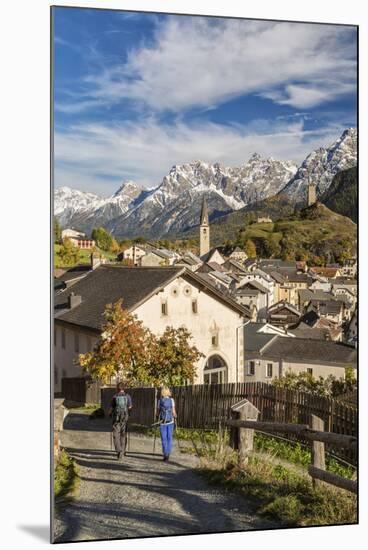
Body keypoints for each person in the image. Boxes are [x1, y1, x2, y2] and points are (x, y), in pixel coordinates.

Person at [108, 382, 132, 460]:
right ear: (124, 388)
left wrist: (109, 414)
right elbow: (130, 407)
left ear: (117, 388)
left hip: (116, 418)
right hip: (125, 418)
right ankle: (123, 451)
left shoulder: (115, 396)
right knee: (123, 434)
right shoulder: (128, 396)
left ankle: (119, 451)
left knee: (116, 435)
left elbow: (111, 408)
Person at [157, 387, 177, 462]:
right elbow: (174, 412)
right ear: (168, 392)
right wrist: (175, 416)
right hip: (170, 421)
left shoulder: (160, 401)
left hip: (162, 422)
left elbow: (157, 412)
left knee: (164, 438)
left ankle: (165, 454)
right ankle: (168, 452)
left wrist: (157, 416)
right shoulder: (171, 400)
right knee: (169, 437)